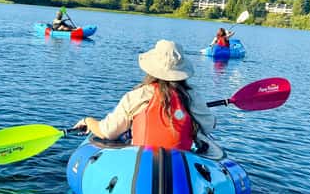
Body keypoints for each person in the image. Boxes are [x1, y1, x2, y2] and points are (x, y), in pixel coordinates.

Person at [73, 39, 222, 156]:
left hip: (140, 162)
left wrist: (88, 121)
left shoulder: (137, 96)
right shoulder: (193, 97)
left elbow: (108, 132)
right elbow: (209, 126)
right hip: (181, 165)